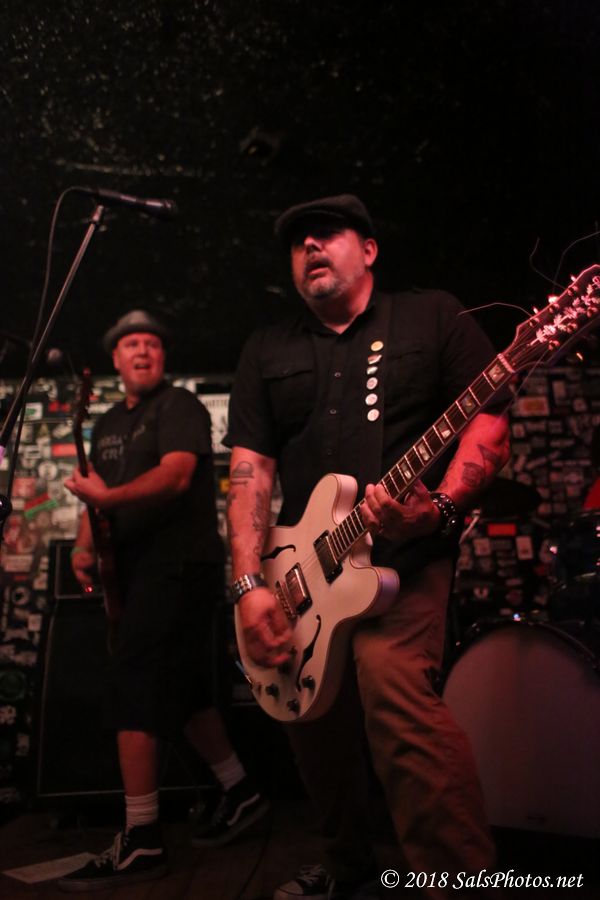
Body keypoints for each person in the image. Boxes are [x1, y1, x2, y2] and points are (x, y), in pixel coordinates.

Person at [224, 195, 511, 900]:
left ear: (370, 249)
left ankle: (459, 882)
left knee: (391, 688)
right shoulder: (267, 349)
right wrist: (249, 585)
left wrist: (439, 508)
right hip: (300, 566)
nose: (310, 247)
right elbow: (250, 471)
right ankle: (347, 865)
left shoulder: (433, 316)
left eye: (327, 234)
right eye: (298, 242)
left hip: (404, 560)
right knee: (308, 717)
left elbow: (487, 423)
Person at [59, 310, 268, 892]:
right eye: (131, 344)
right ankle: (242, 792)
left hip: (178, 565)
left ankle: (142, 837)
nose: (142, 351)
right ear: (116, 359)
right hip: (134, 570)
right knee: (183, 690)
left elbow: (175, 477)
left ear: (163, 356)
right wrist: (84, 546)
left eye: (151, 343)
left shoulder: (180, 406)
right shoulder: (106, 424)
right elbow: (95, 496)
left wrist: (109, 500)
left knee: (133, 687)